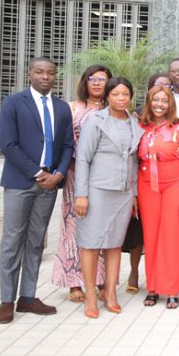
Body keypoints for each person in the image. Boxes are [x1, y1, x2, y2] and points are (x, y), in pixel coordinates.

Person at [0, 57, 74, 324]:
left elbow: (67, 146)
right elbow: (8, 144)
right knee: (12, 241)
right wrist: (39, 173)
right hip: (20, 182)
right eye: (39, 72)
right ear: (29, 73)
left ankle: (27, 297)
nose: (45, 77)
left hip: (50, 185)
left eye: (50, 73)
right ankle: (7, 300)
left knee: (36, 241)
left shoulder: (62, 108)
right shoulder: (13, 103)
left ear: (55, 77)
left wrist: (59, 175)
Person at [74, 77, 144, 318]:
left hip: (123, 193)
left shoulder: (134, 123)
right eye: (116, 94)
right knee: (91, 242)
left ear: (130, 97)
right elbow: (83, 158)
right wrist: (81, 194)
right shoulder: (96, 121)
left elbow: (134, 161)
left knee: (114, 243)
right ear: (108, 96)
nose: (121, 98)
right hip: (97, 190)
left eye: (125, 94)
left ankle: (111, 293)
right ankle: (91, 295)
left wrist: (134, 193)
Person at [52, 64, 112, 303]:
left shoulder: (116, 108)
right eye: (92, 79)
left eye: (102, 79)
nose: (97, 83)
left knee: (102, 229)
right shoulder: (72, 109)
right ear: (84, 83)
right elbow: (64, 143)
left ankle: (100, 279)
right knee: (73, 229)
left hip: (104, 179)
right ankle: (74, 282)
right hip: (75, 176)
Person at [138, 85, 179, 309]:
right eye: (155, 100)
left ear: (170, 103)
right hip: (146, 185)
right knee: (151, 236)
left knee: (171, 236)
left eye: (164, 100)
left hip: (174, 184)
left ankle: (171, 289)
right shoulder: (140, 126)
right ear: (149, 102)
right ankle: (152, 287)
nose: (159, 104)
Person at [124, 72, 172, 293]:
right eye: (157, 91)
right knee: (141, 234)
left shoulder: (177, 126)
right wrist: (133, 191)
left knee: (166, 234)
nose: (160, 100)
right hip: (141, 186)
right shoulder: (137, 124)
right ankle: (138, 274)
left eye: (166, 89)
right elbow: (132, 158)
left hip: (169, 185)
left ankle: (164, 282)